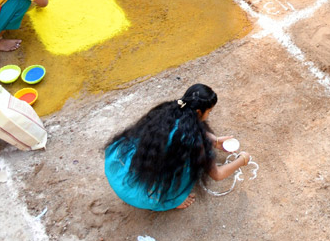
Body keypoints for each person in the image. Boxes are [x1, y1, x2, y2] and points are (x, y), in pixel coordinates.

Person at [105, 84, 249, 212]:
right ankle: (172, 201)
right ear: (199, 112)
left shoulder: (170, 109)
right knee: (186, 169)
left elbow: (192, 127)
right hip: (139, 195)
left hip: (118, 171)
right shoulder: (194, 141)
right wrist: (242, 160)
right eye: (209, 111)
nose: (209, 115)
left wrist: (215, 141)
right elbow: (217, 174)